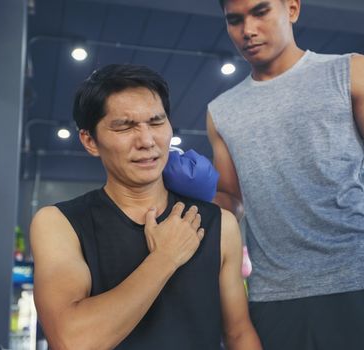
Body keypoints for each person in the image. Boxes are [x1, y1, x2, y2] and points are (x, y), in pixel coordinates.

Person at [207, 0, 364, 349]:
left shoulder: (351, 71)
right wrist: (183, 209)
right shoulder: (220, 111)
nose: (247, 30)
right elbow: (231, 199)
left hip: (363, 279)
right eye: (234, 20)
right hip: (276, 294)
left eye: (260, 12)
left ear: (292, 8)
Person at [30, 64, 262, 350]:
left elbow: (238, 334)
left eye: (156, 122)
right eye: (125, 126)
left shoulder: (218, 224)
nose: (147, 141)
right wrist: (164, 258)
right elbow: (72, 341)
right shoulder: (60, 223)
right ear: (90, 140)